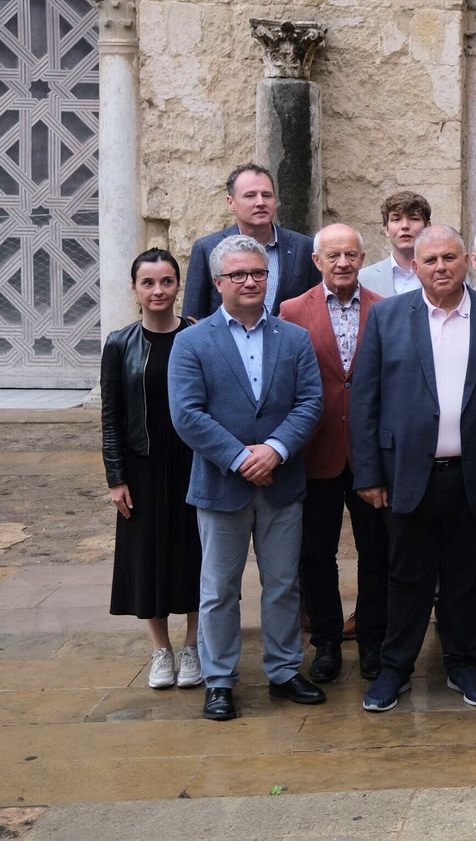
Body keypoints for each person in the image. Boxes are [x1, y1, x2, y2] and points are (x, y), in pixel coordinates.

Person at [349, 225, 476, 712]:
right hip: (406, 472)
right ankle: (395, 668)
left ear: (466, 259)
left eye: (449, 257)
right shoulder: (387, 317)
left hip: (474, 473)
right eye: (430, 261)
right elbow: (365, 399)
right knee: (405, 575)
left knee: (465, 575)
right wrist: (367, 473)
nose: (441, 267)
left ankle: (464, 664)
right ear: (416, 266)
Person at [168, 234, 325, 721]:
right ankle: (219, 680)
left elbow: (310, 403)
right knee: (219, 589)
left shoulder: (293, 338)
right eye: (239, 274)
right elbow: (187, 414)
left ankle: (283, 671)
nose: (251, 281)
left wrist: (274, 451)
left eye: (258, 273)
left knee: (282, 584)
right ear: (218, 283)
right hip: (221, 486)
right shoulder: (192, 341)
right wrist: (240, 458)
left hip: (281, 482)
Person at [278, 223, 389, 683]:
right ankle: (325, 642)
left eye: (351, 255)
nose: (342, 263)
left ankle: (372, 642)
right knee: (315, 553)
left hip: (370, 455)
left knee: (377, 551)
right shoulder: (291, 311)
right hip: (315, 451)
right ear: (316, 261)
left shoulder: (385, 310)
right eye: (333, 255)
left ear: (362, 260)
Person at [101, 249, 201, 691]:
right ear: (135, 290)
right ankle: (160, 650)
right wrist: (115, 476)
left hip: (195, 463)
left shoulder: (198, 334)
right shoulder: (120, 344)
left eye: (166, 281)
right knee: (148, 557)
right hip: (142, 465)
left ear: (178, 285)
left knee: (198, 554)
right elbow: (111, 416)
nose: (158, 291)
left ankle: (194, 646)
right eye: (148, 283)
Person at [183, 163, 317, 318]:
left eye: (267, 195)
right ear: (230, 202)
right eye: (250, 195)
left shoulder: (304, 248)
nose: (260, 202)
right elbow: (193, 318)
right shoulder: (207, 249)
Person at [358, 191, 431, 296]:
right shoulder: (363, 279)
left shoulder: (444, 275)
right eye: (396, 219)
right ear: (386, 229)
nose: (405, 226)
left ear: (427, 227)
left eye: (414, 219)